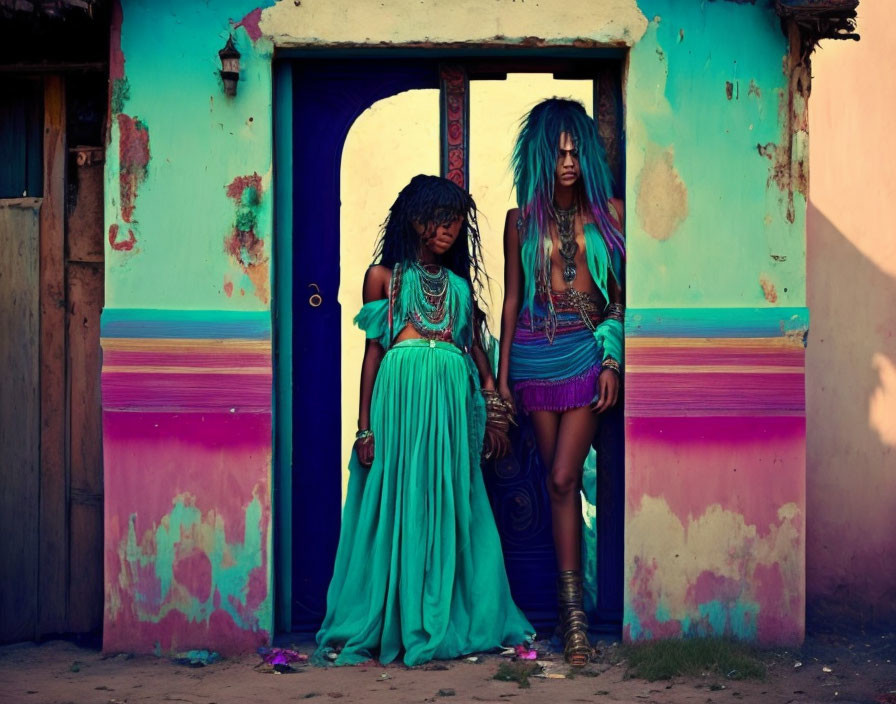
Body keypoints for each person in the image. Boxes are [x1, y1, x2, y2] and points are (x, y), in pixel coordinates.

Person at [315, 174, 533, 667]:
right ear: (415, 220)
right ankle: (395, 615)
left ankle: (447, 610)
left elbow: (474, 348)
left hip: (451, 407)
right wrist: (364, 426)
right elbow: (372, 354)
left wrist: (493, 397)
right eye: (440, 219)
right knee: (398, 497)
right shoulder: (383, 278)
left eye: (456, 222)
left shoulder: (457, 286)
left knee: (449, 497)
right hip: (400, 401)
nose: (449, 230)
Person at [497, 98, 625, 666]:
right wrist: (501, 380)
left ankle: (576, 622)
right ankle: (567, 611)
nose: (568, 162)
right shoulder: (520, 220)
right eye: (558, 152)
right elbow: (510, 300)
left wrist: (612, 361)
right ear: (541, 156)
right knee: (556, 487)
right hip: (531, 357)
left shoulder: (612, 215)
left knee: (564, 473)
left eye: (576, 151)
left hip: (583, 352)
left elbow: (622, 302)